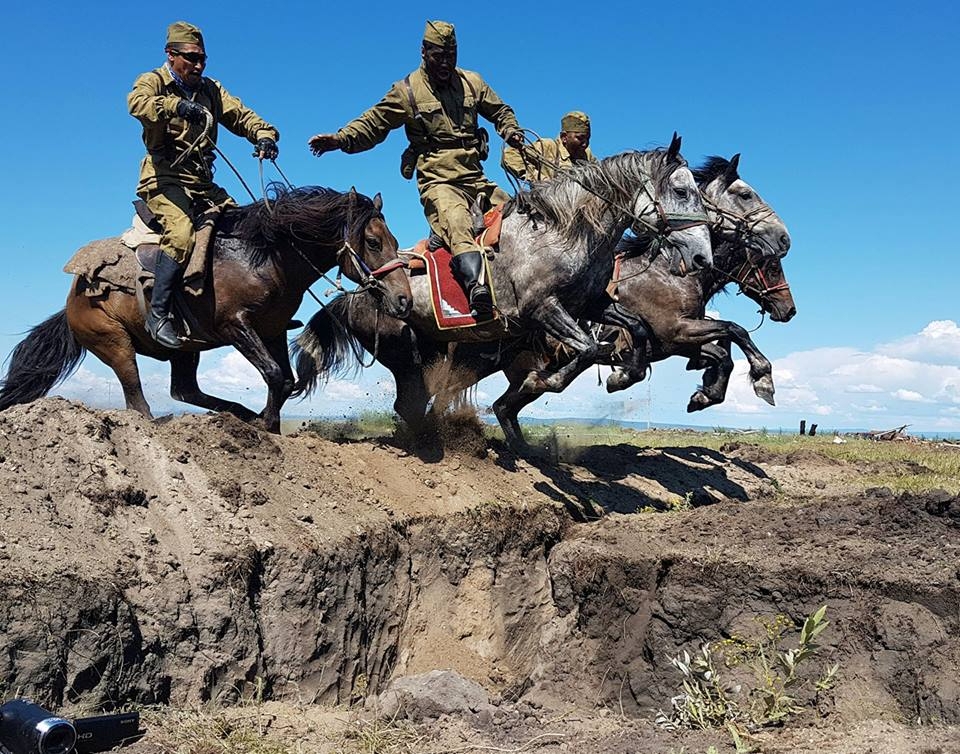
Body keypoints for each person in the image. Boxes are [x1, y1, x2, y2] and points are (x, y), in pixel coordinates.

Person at [308, 20, 525, 315]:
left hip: (476, 177)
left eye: (451, 55)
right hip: (440, 182)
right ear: (424, 52)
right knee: (457, 222)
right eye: (439, 56)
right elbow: (374, 123)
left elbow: (500, 111)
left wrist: (510, 129)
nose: (446, 62)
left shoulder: (473, 82)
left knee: (521, 214)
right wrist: (341, 139)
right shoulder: (406, 92)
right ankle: (478, 291)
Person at [128, 21, 280, 349]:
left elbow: (241, 115)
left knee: (250, 230)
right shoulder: (152, 81)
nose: (198, 65)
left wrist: (264, 134)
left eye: (202, 59)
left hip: (202, 183)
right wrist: (176, 106)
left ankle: (254, 308)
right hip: (164, 177)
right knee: (181, 235)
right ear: (171, 55)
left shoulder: (211, 90)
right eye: (192, 58)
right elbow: (136, 104)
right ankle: (159, 315)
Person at [502, 111, 596, 182]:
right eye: (580, 138)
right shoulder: (548, 147)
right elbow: (510, 156)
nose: (585, 143)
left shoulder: (587, 155)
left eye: (588, 138)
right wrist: (541, 180)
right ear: (564, 137)